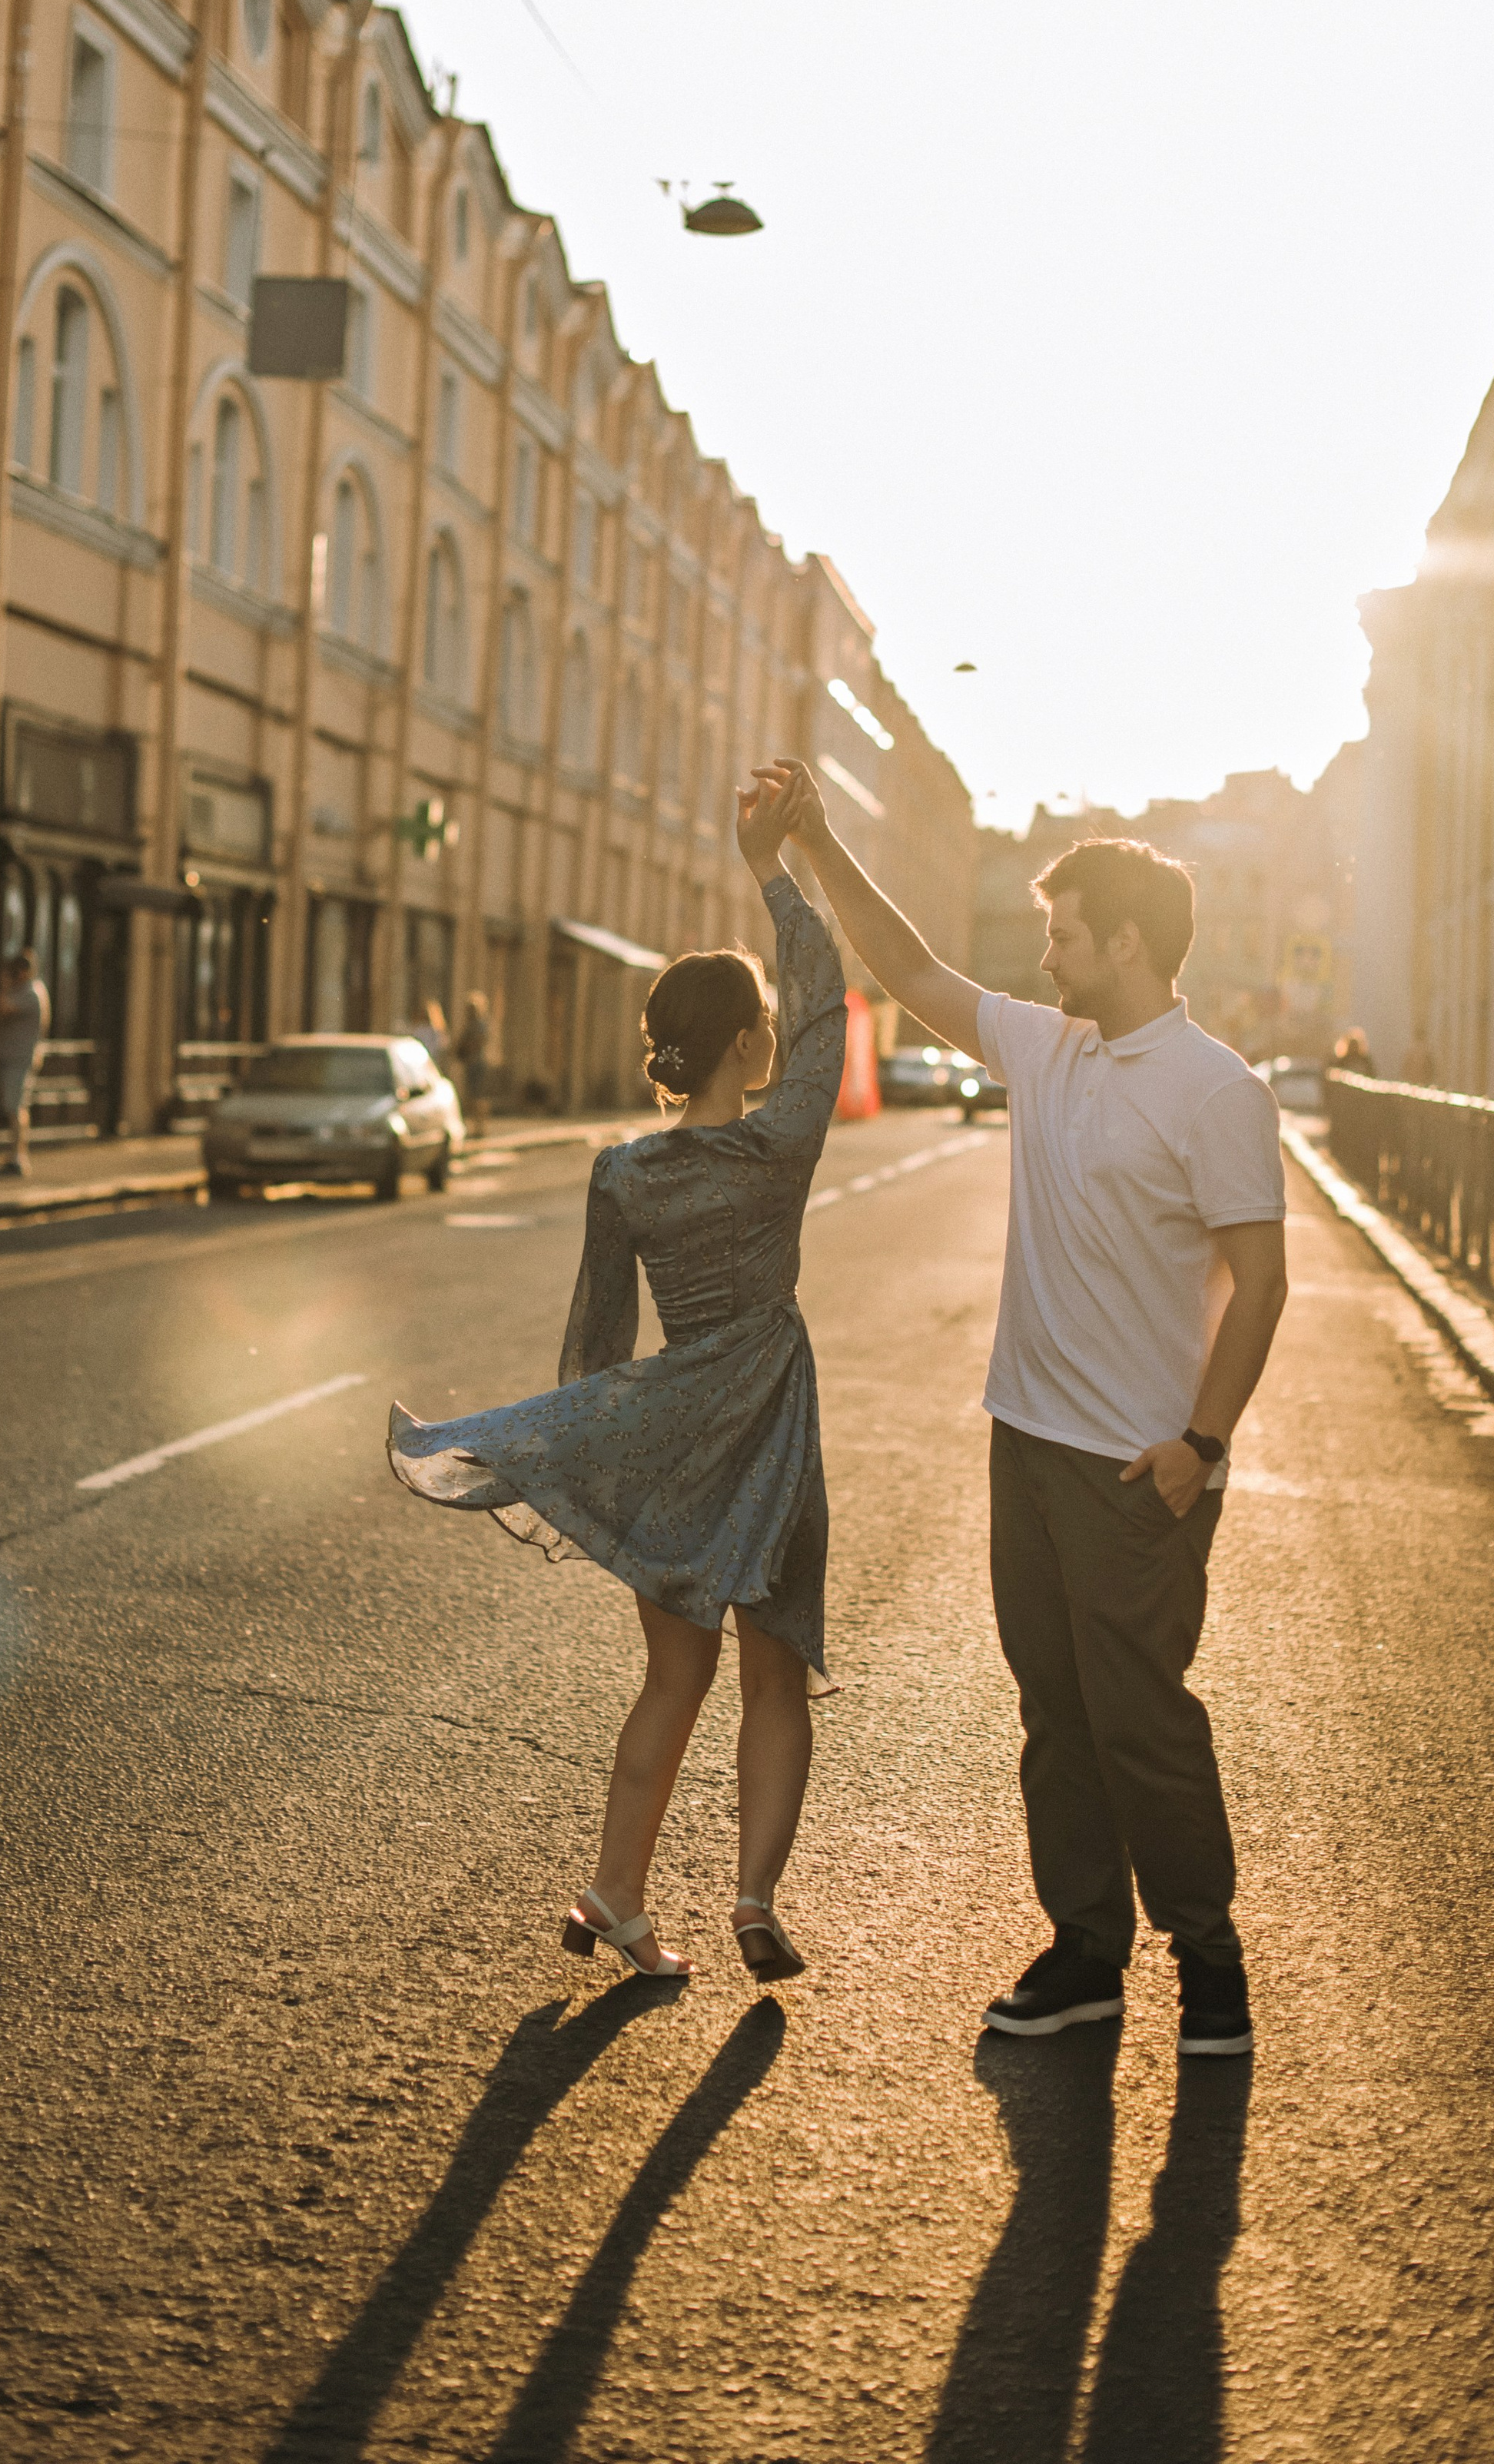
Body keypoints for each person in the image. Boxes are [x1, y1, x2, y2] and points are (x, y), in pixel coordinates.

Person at [756, 760, 1287, 2058]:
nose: (1044, 957)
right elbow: (913, 966)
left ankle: (1208, 1962)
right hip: (1028, 1444)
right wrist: (815, 842)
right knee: (1053, 1711)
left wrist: (1200, 1450)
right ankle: (1087, 1950)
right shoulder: (1046, 1049)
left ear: (1126, 943)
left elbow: (1262, 1285)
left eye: (1062, 936)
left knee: (1141, 1718)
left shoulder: (1218, 1090)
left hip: (1137, 1469)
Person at [387, 772, 845, 1985]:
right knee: (775, 1678)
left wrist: (589, 1459)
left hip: (678, 1444)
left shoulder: (624, 1173)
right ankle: (753, 1896)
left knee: (670, 1683)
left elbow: (594, 1351)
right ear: (753, 1044)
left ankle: (617, 1895)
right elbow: (830, 1006)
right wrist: (773, 871)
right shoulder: (785, 1138)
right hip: (777, 1434)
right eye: (768, 1025)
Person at [0, 950, 50, 1179]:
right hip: (15, 1057)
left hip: (19, 1059)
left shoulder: (30, 993)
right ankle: (15, 1154)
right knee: (14, 1106)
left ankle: (18, 1158)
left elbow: (2, 1007)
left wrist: (4, 984)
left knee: (16, 1108)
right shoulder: (33, 990)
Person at [455, 991, 491, 1139]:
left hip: (477, 1063)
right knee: (472, 1095)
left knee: (477, 1096)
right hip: (471, 1062)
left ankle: (480, 1127)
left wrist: (468, 1048)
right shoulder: (470, 1025)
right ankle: (475, 1126)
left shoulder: (480, 1024)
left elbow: (479, 1041)